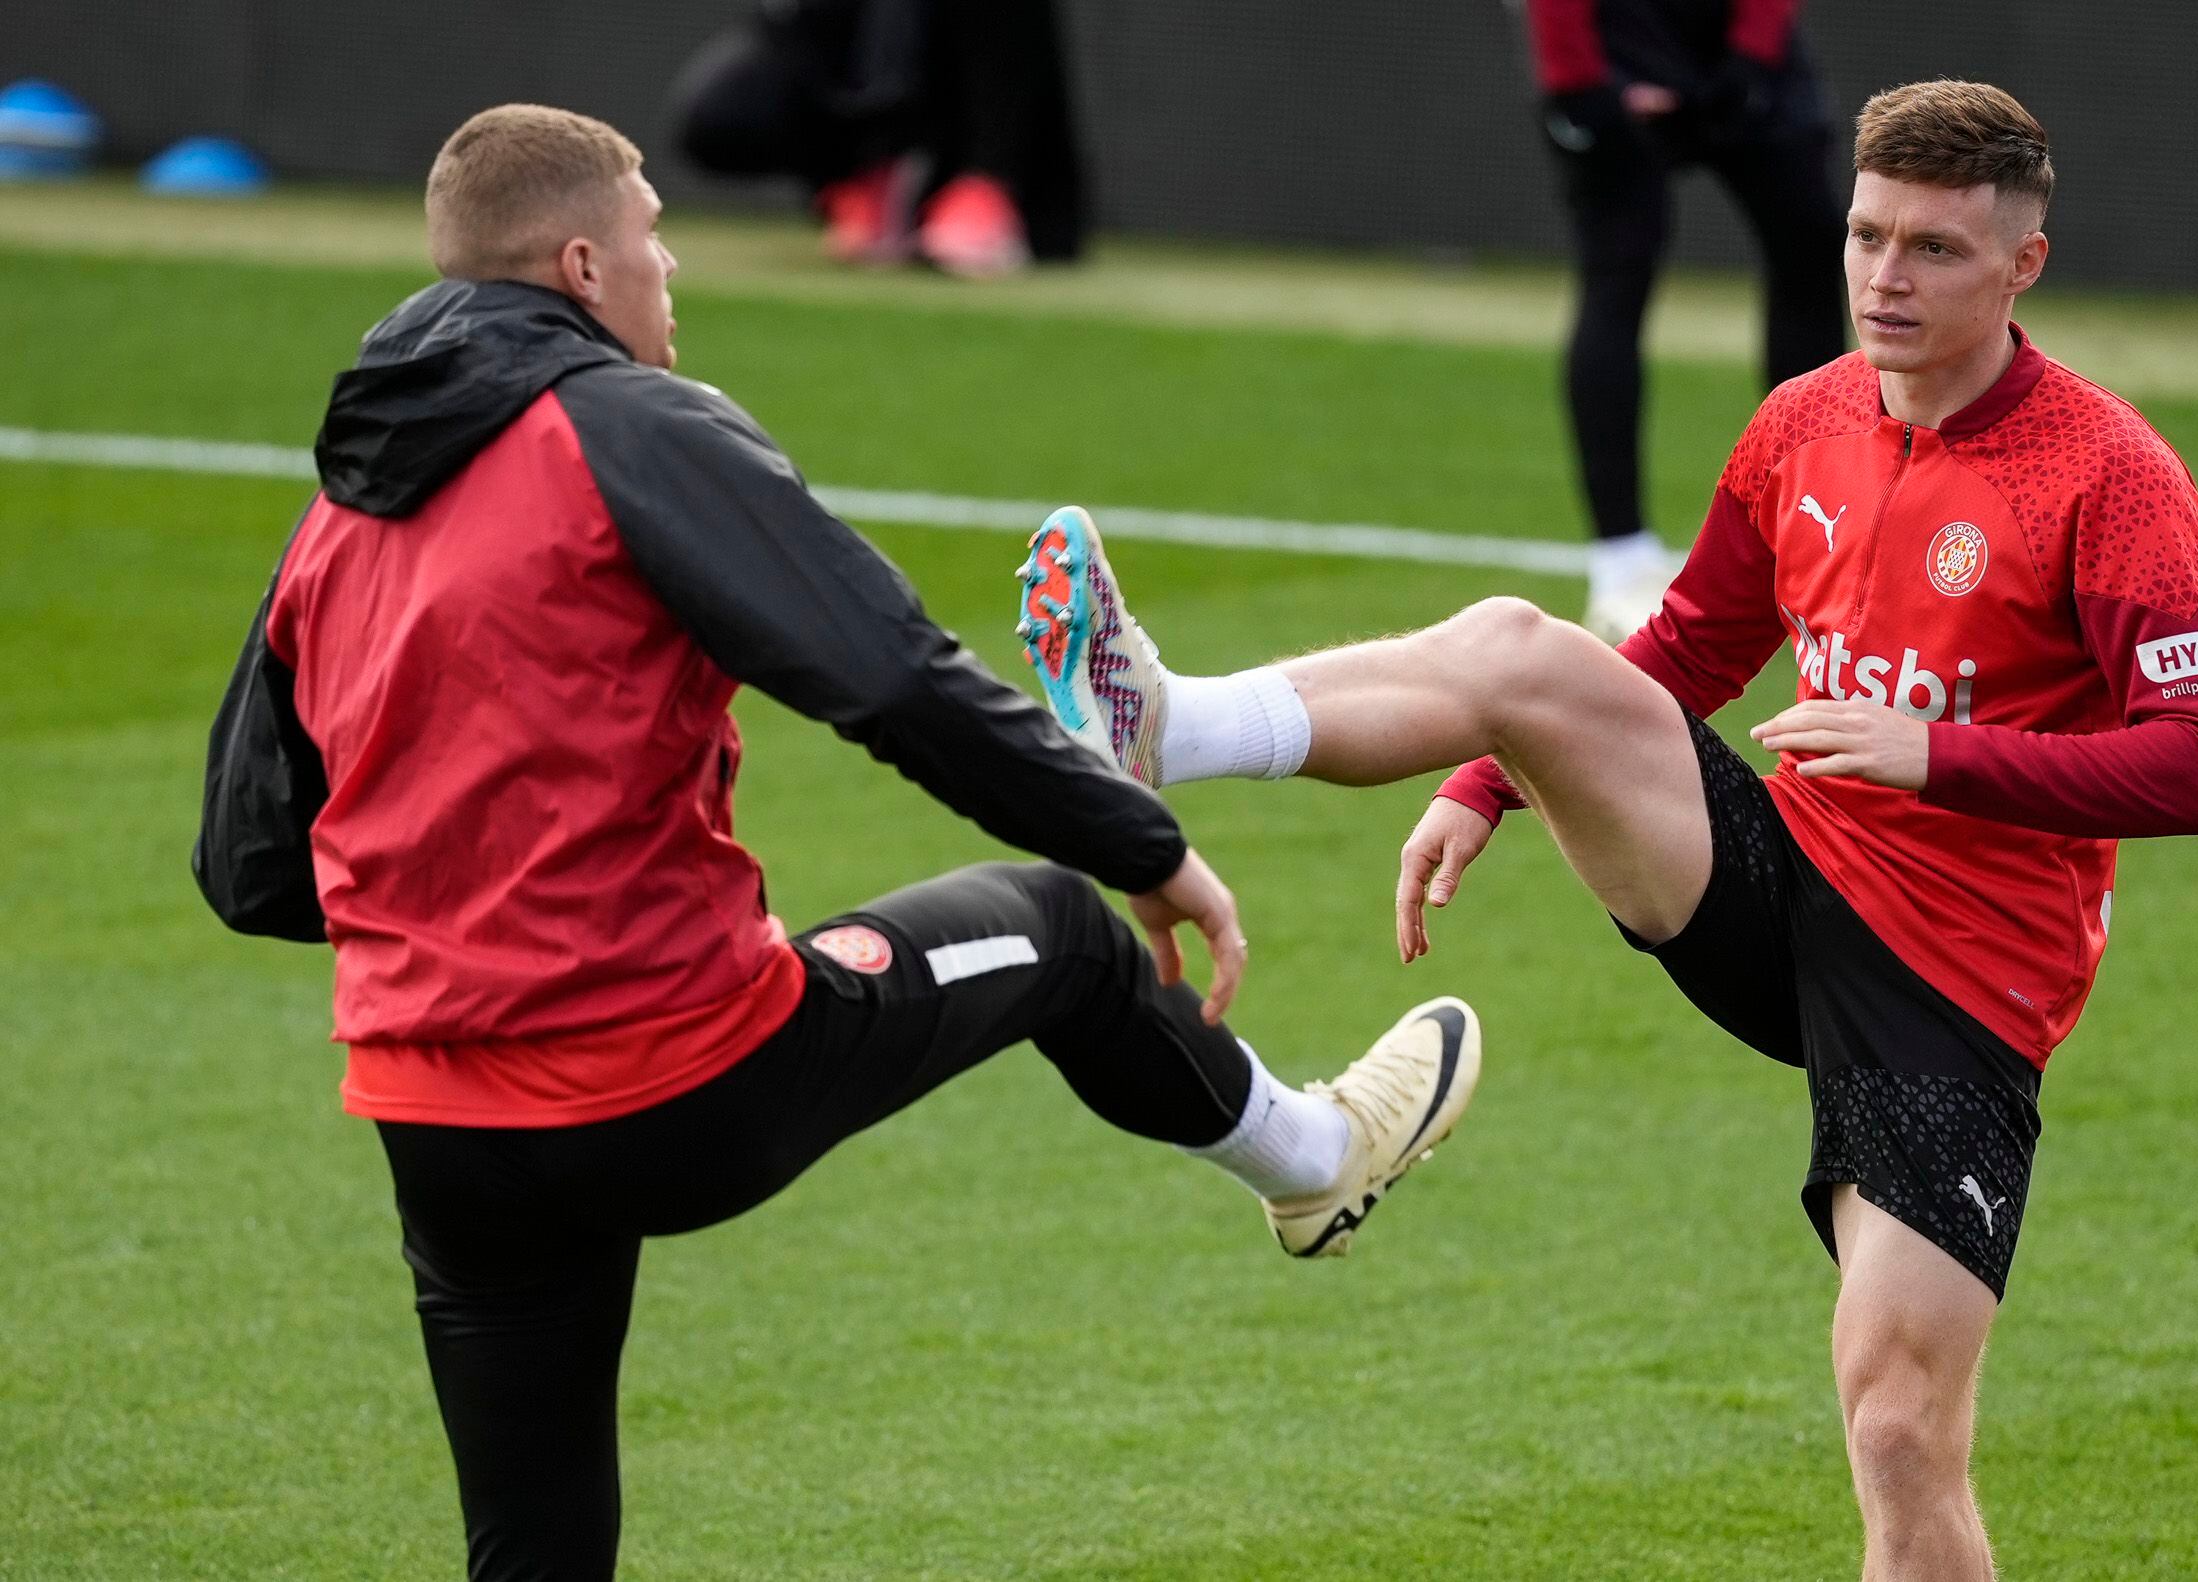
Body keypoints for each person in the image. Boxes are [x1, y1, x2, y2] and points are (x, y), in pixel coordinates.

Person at [193, 104, 1477, 1582]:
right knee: (1061, 927)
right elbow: (889, 675)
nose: (671, 264)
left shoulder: (335, 518)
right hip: (674, 1076)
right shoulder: (633, 430)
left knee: (535, 1552)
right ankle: (1313, 1159)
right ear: (581, 267)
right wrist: (1140, 837)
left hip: (439, 1128)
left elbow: (253, 866)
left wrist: (466, 916)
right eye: (654, 232)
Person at [1020, 80, 2198, 1579]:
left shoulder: (2108, 476)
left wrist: (1935, 753)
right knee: (1524, 652)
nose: (1882, 276)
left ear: (2021, 265)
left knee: (1895, 1431)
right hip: (1770, 883)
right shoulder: (1804, 418)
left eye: (1932, 248)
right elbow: (1682, 646)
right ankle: (1165, 723)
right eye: (1866, 234)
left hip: (1957, 989)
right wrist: (1485, 781)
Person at [1521, 0, 1848, 639]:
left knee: (1810, 252)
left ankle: (1822, 540)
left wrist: (1752, 55)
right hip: (1616, 36)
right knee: (1617, 270)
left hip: (1741, 34)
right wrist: (1578, 79)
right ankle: (1621, 562)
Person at [672, 0, 1085, 277]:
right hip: (858, 95)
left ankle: (985, 194)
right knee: (723, 113)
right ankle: (864, 188)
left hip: (976, 132)